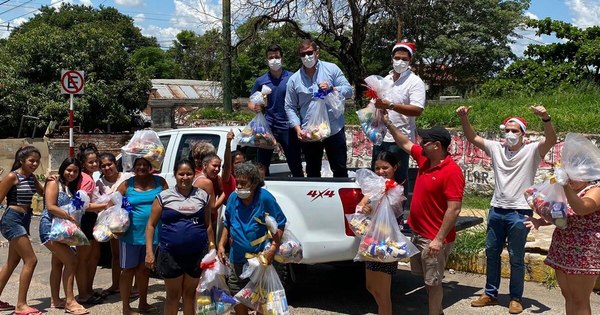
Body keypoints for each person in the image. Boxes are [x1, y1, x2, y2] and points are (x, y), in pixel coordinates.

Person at [457, 105, 556, 314]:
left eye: (515, 131)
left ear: (523, 134)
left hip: (519, 212)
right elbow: (473, 138)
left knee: (516, 256)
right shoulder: (496, 148)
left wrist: (546, 118)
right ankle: (490, 294)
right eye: (507, 130)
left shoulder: (531, 151)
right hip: (496, 209)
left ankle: (515, 298)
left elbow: (551, 140)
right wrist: (464, 118)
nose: (510, 134)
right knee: (492, 253)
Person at [382, 116, 465, 315]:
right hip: (419, 233)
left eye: (424, 141)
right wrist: (388, 123)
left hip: (434, 239)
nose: (420, 143)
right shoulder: (425, 159)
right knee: (427, 280)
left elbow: (454, 209)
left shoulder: (452, 172)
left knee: (434, 282)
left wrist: (438, 239)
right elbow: (404, 142)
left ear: (437, 145)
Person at [525, 135, 600, 315]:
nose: (572, 179)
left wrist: (565, 186)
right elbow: (561, 214)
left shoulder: (595, 189)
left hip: (584, 251)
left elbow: (582, 208)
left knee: (580, 299)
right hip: (563, 247)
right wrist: (541, 221)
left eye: (575, 176)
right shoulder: (569, 188)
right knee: (568, 296)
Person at [145, 159, 214, 315]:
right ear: (175, 175)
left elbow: (208, 225)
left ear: (193, 175)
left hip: (196, 254)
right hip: (170, 254)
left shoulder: (202, 196)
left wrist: (212, 247)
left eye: (189, 174)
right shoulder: (163, 197)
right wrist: (149, 252)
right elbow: (150, 225)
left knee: (190, 295)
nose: (185, 177)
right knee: (173, 296)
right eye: (181, 174)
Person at [217, 162, 286, 315]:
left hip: (260, 260)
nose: (239, 186)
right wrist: (221, 244)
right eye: (238, 182)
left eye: (243, 183)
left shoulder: (265, 198)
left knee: (262, 298)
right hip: (238, 258)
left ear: (254, 183)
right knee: (237, 294)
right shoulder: (233, 198)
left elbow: (280, 224)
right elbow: (227, 223)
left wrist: (273, 248)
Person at [285, 39, 353, 178]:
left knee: (339, 168)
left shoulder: (332, 69)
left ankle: (340, 199)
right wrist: (297, 128)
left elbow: (349, 91)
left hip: (334, 128)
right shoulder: (294, 79)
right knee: (312, 171)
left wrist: (333, 88)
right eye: (302, 54)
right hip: (310, 132)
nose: (306, 57)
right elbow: (290, 106)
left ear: (317, 53)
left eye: (309, 52)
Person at [117, 157, 168, 315]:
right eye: (138, 165)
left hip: (153, 235)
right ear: (133, 167)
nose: (141, 167)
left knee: (144, 270)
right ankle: (126, 307)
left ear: (151, 167)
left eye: (145, 165)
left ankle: (143, 303)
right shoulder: (127, 184)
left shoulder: (160, 182)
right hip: (129, 235)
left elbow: (169, 201)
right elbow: (112, 202)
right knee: (128, 271)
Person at [372, 41, 426, 189]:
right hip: (380, 137)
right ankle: (379, 210)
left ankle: (398, 211)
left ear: (410, 61)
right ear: (391, 58)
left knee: (398, 179)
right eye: (397, 58)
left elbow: (417, 110)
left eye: (404, 59)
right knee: (378, 176)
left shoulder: (415, 82)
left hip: (400, 140)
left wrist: (391, 105)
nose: (400, 62)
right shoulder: (385, 79)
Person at [39, 157, 89, 315]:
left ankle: (56, 299)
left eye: (75, 171)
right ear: (62, 169)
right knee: (71, 261)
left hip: (63, 230)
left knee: (58, 264)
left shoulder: (71, 188)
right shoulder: (54, 182)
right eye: (69, 170)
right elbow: (51, 206)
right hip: (50, 228)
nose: (71, 173)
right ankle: (70, 301)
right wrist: (69, 217)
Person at [357, 151, 405, 315]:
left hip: (386, 244)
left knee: (382, 292)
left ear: (395, 167)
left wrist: (376, 199)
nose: (381, 172)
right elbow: (362, 205)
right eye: (377, 168)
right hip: (371, 243)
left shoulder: (396, 189)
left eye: (385, 168)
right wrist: (364, 208)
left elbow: (393, 211)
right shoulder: (373, 187)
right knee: (371, 287)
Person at [0, 146, 44, 315]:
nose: (34, 163)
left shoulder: (31, 178)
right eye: (31, 160)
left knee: (12, 262)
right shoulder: (13, 176)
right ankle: (21, 305)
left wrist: (54, 181)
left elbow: (43, 192)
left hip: (25, 220)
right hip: (12, 220)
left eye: (37, 161)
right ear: (21, 161)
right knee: (31, 260)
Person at [248, 44, 303, 177]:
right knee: (262, 164)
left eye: (277, 57)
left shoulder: (293, 77)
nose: (274, 60)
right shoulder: (261, 80)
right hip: (268, 126)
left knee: (294, 162)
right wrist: (254, 107)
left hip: (288, 126)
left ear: (282, 58)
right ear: (267, 60)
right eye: (271, 57)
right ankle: (262, 191)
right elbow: (250, 101)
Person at [95, 153, 135, 298]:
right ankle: (115, 284)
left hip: (131, 220)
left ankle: (134, 287)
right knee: (116, 254)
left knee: (133, 254)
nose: (107, 168)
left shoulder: (128, 177)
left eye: (109, 164)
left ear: (115, 164)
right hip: (113, 224)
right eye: (103, 166)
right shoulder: (99, 183)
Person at [75, 143, 108, 305]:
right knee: (84, 259)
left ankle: (88, 289)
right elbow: (83, 205)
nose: (95, 164)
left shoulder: (87, 177)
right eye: (91, 162)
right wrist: (105, 205)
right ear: (83, 163)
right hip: (85, 220)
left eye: (96, 161)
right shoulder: (86, 179)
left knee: (93, 256)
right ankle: (83, 293)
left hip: (89, 220)